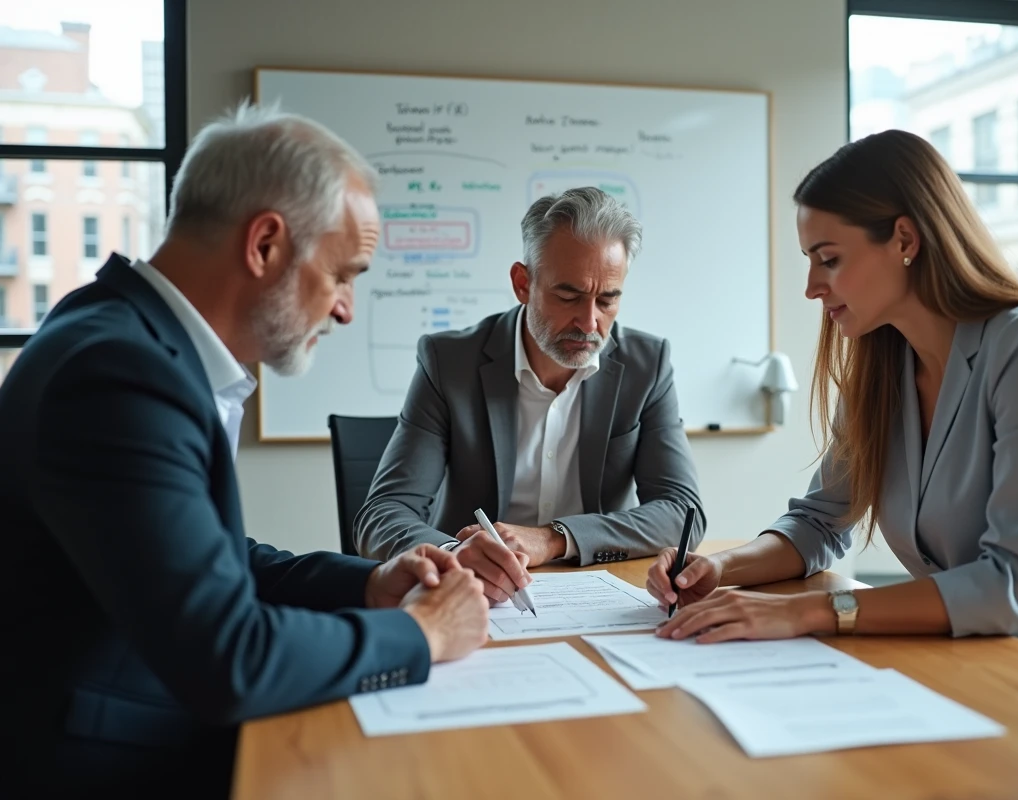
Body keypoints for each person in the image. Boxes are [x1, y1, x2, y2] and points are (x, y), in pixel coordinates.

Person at [0, 102, 490, 796]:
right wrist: (424, 635)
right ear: (264, 245)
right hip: (112, 763)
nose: (346, 308)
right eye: (343, 273)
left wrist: (365, 584)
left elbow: (208, 558)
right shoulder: (121, 375)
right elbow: (228, 658)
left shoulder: (118, 334)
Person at [648, 129, 1018, 675]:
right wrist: (719, 568)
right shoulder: (882, 368)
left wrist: (804, 612)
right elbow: (819, 522)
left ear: (905, 240)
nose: (811, 287)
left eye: (828, 259)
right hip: (984, 662)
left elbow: (1017, 587)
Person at [356, 187, 705, 605]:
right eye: (569, 296)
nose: (589, 322)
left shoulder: (646, 365)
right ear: (523, 283)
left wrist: (554, 539)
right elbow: (382, 514)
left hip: (598, 591)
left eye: (607, 300)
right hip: (476, 596)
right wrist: (453, 554)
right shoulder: (448, 363)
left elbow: (681, 511)